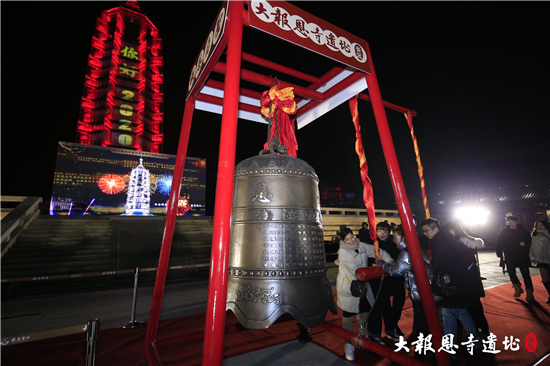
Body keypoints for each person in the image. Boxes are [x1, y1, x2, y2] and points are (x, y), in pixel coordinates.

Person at [421, 218, 482, 349]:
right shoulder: (452, 239)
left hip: (453, 283)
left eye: (426, 230)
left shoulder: (438, 241)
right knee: (462, 313)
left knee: (448, 315)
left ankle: (450, 349)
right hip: (463, 282)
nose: (425, 234)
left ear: (435, 229)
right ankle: (476, 342)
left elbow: (439, 264)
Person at [335, 228, 393, 361]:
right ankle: (348, 344)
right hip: (350, 286)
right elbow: (355, 270)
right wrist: (374, 271)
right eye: (347, 239)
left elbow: (376, 250)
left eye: (352, 237)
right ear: (343, 241)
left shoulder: (360, 245)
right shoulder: (343, 253)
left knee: (363, 311)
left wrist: (388, 260)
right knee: (348, 315)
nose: (351, 241)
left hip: (363, 284)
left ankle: (362, 337)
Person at [375, 227, 434, 348]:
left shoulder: (406, 252)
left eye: (395, 237)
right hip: (423, 289)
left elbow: (396, 270)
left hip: (419, 291)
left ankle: (421, 354)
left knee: (420, 323)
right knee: (426, 321)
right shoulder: (413, 248)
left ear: (403, 238)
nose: (394, 240)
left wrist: (380, 263)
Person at [441, 221, 489, 336]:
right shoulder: (466, 242)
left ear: (453, 230)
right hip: (471, 280)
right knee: (473, 306)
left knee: (471, 307)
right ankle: (481, 330)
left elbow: (461, 262)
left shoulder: (459, 244)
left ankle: (478, 332)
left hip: (466, 280)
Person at [369, 222, 406, 339]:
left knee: (399, 301)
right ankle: (384, 330)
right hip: (381, 280)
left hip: (395, 277)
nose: (382, 234)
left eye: (385, 231)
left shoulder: (394, 243)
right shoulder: (374, 244)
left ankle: (393, 325)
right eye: (379, 231)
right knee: (382, 305)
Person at [496, 216, 534, 300]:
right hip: (509, 255)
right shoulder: (504, 232)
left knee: (525, 274)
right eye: (509, 222)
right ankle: (517, 287)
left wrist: (528, 252)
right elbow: (499, 243)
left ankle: (529, 292)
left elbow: (529, 243)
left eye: (512, 222)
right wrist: (499, 253)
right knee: (511, 272)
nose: (511, 224)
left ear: (517, 222)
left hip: (522, 255)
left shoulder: (523, 232)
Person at [529, 219, 550, 304]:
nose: (539, 227)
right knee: (545, 279)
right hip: (541, 260)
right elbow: (532, 247)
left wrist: (543, 235)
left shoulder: (548, 235)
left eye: (541, 225)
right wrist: (532, 257)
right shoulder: (534, 236)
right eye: (537, 225)